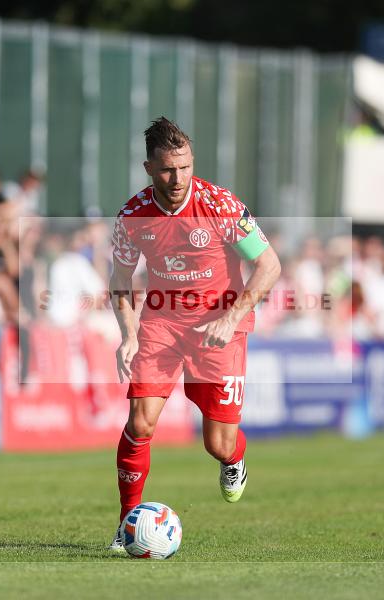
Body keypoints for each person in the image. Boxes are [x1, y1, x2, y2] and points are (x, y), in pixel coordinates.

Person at [107, 117, 281, 553]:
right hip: (162, 325)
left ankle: (235, 459)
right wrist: (129, 333)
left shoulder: (219, 205)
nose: (178, 177)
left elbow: (269, 266)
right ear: (149, 168)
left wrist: (229, 318)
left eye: (185, 167)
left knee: (218, 444)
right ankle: (127, 521)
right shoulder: (133, 216)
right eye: (168, 169)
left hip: (220, 326)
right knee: (140, 422)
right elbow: (121, 279)